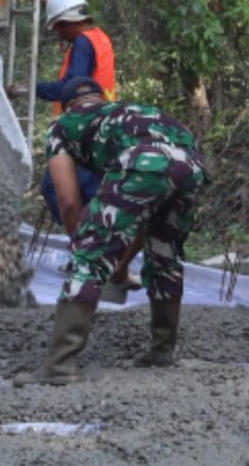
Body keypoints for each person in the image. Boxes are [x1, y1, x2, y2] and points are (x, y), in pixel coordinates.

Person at [40, 81, 207, 381]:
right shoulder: (131, 112)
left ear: (66, 107)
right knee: (165, 255)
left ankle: (59, 365)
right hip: (191, 165)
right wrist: (120, 264)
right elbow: (140, 219)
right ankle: (162, 350)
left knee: (89, 256)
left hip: (142, 162)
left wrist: (84, 248)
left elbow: (68, 200)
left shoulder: (62, 126)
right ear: (100, 98)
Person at [35, 0, 117, 105]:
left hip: (86, 113)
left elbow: (72, 88)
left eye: (57, 28)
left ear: (64, 23)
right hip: (103, 111)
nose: (59, 34)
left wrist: (34, 88)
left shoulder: (83, 43)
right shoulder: (99, 37)